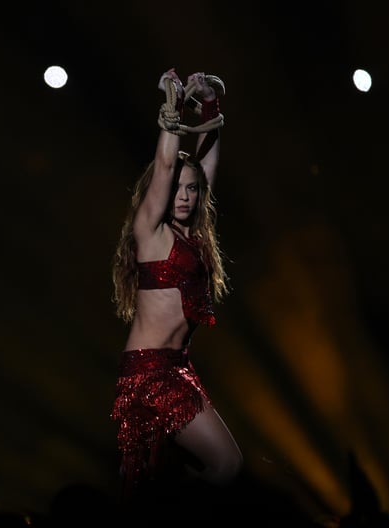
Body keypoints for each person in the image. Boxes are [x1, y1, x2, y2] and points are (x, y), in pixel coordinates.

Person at [109, 68, 243, 500]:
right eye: (177, 190)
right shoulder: (152, 233)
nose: (184, 196)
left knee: (155, 486)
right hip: (152, 373)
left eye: (192, 191)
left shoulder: (194, 236)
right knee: (227, 464)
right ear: (161, 193)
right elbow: (168, 163)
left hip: (177, 368)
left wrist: (209, 105)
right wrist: (172, 109)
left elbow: (205, 166)